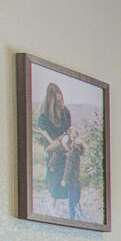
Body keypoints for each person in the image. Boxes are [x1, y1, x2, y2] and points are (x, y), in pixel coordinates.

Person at [33, 81, 83, 218]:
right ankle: (54, 199)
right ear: (52, 102)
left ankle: (69, 200)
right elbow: (42, 130)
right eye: (58, 101)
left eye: (62, 100)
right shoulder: (44, 115)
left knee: (67, 170)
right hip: (53, 144)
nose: (61, 103)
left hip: (64, 142)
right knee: (54, 171)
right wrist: (54, 143)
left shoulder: (65, 112)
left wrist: (67, 141)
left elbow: (68, 128)